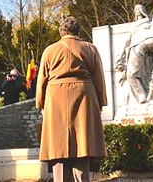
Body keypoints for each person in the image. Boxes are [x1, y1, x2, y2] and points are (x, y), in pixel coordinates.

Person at [36, 16, 107, 181]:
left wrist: (40, 103)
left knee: (58, 147)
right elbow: (99, 78)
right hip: (84, 94)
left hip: (55, 97)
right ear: (78, 31)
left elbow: (41, 81)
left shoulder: (50, 50)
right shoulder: (90, 48)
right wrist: (100, 102)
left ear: (61, 32)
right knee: (82, 144)